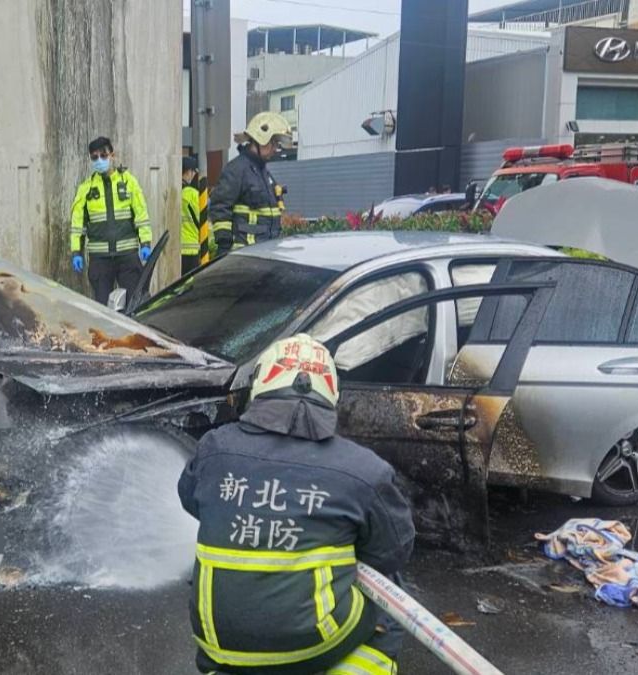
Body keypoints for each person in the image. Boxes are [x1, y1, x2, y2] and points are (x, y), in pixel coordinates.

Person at [178, 334, 415, 675]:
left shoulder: (215, 447)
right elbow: (394, 551)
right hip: (314, 647)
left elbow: (191, 501)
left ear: (260, 386)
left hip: (217, 644)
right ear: (331, 393)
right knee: (389, 585)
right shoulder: (366, 471)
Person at [69, 136, 153, 305]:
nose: (99, 160)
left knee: (133, 305)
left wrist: (145, 244)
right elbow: (77, 225)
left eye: (103, 155)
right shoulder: (86, 188)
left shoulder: (128, 182)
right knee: (102, 308)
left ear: (112, 155)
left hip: (127, 256)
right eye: (94, 157)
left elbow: (141, 215)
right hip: (100, 259)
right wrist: (76, 252)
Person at [210, 112, 291, 253]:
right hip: (244, 255)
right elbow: (220, 207)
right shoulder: (236, 169)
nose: (275, 149)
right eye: (273, 143)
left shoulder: (264, 173)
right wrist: (224, 245)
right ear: (261, 139)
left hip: (265, 252)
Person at [180, 155, 210, 276]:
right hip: (192, 250)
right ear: (188, 172)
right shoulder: (192, 194)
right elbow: (202, 221)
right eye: (193, 172)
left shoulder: (174, 190)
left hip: (176, 250)